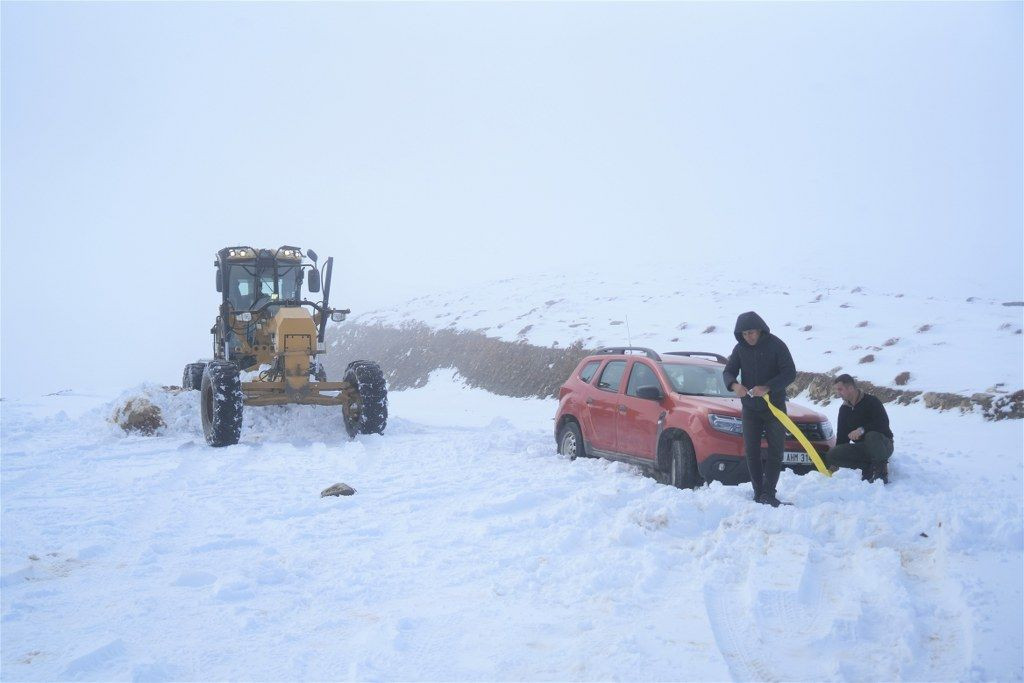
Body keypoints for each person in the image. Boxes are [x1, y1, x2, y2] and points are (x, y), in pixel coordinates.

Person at [723, 312, 796, 506]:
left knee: (776, 451)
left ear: (760, 329)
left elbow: (790, 373)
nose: (749, 337)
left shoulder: (776, 345)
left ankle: (769, 493)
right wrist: (734, 385)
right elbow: (728, 371)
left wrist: (768, 387)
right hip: (750, 408)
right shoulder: (739, 349)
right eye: (745, 334)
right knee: (752, 451)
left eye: (752, 333)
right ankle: (758, 492)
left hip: (775, 408)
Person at [826, 374, 894, 483]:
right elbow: (842, 437)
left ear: (851, 388)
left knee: (872, 436)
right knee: (832, 454)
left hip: (883, 445)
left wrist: (861, 430)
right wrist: (835, 462)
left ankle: (881, 472)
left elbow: (883, 424)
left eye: (840, 389)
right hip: (863, 448)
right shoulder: (844, 409)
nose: (838, 393)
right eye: (837, 390)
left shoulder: (872, 401)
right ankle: (867, 466)